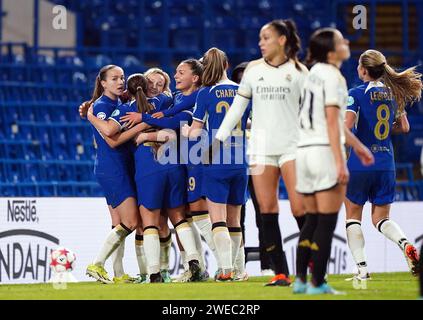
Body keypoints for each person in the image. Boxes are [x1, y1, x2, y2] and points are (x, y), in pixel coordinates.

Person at [214, 19, 308, 286]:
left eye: (266, 38)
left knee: (300, 207)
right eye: (260, 38)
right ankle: (281, 273)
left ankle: (314, 263)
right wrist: (219, 139)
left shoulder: (300, 72)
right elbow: (237, 109)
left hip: (292, 146)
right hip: (261, 150)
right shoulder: (254, 71)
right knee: (267, 209)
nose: (261, 43)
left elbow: (312, 112)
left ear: (282, 40)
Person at [292, 28, 374, 295]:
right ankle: (318, 283)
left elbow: (335, 122)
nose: (346, 42)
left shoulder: (312, 73)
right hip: (323, 151)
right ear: (331, 52)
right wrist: (341, 163)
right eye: (341, 41)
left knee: (311, 221)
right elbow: (331, 122)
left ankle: (301, 281)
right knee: (326, 222)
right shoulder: (335, 77)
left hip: (303, 152)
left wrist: (359, 147)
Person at [344, 49, 422, 287]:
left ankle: (362, 270)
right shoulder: (393, 93)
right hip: (386, 161)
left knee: (352, 218)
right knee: (381, 218)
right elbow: (405, 127)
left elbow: (345, 129)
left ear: (363, 70)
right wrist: (385, 130)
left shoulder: (355, 93)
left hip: (360, 161)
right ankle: (406, 244)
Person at [182, 47, 251, 281]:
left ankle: (225, 270)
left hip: (215, 161)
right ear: (227, 64)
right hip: (241, 161)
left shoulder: (205, 93)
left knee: (218, 219)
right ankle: (239, 270)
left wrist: (185, 129)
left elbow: (195, 133)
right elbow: (249, 122)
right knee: (235, 220)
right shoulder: (243, 91)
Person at [84, 65, 142, 284]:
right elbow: (110, 134)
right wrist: (140, 127)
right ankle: (97, 264)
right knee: (130, 221)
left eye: (122, 78)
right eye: (115, 78)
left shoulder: (117, 103)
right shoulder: (101, 105)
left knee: (118, 222)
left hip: (117, 166)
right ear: (103, 82)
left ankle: (118, 273)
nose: (120, 82)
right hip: (112, 168)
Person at [231, 61, 274, 276]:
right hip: (237, 164)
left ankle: (267, 264)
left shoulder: (265, 102)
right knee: (238, 217)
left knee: (263, 214)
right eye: (238, 79)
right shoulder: (232, 102)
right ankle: (239, 266)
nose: (242, 83)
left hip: (259, 163)